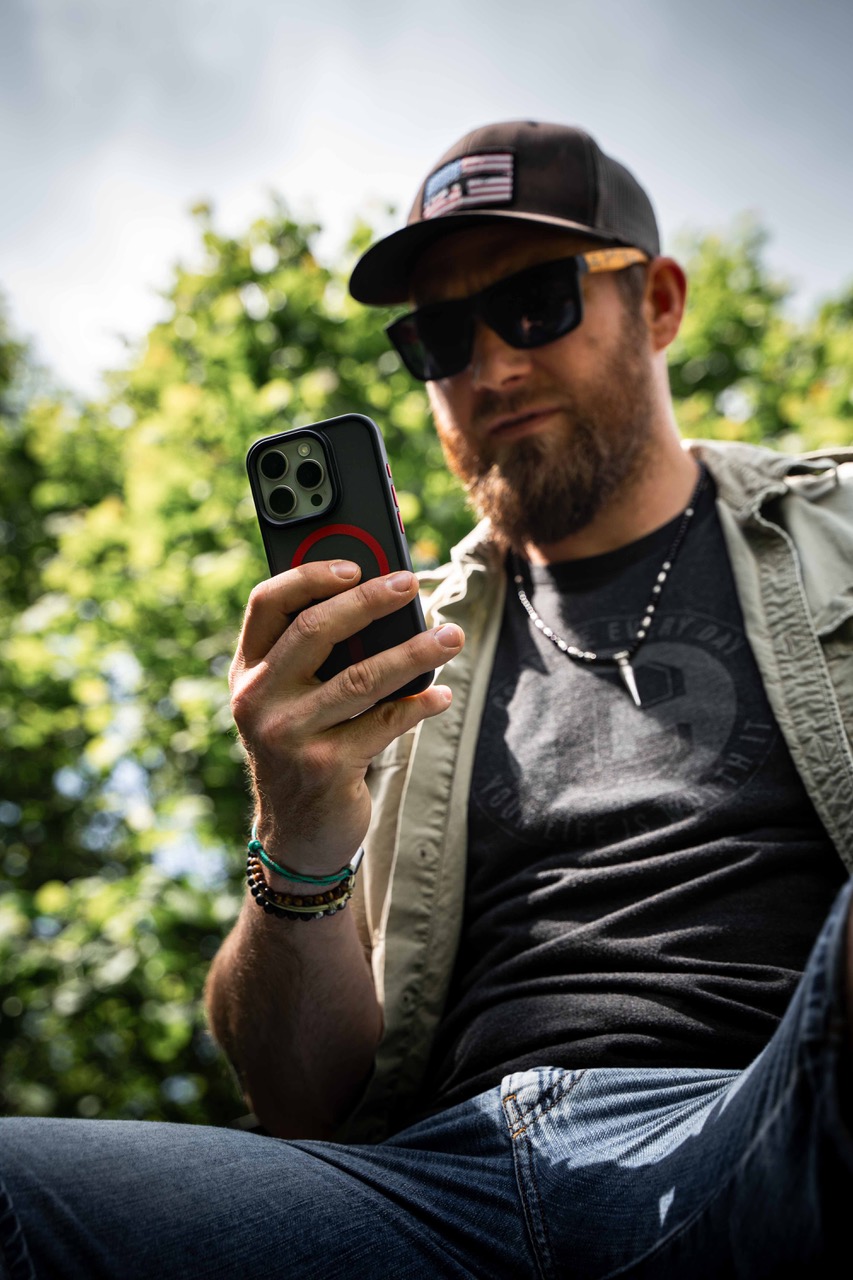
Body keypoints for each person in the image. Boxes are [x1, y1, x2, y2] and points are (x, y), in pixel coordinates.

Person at [2, 120, 852, 1279]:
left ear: (656, 303)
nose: (489, 367)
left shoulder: (832, 528)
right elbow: (299, 1100)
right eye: (440, 336)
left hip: (763, 1127)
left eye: (536, 303)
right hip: (430, 1194)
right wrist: (296, 828)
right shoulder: (394, 648)